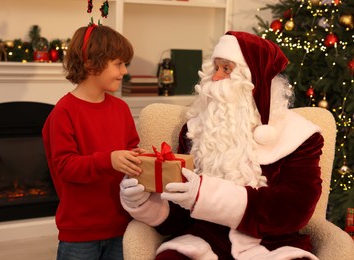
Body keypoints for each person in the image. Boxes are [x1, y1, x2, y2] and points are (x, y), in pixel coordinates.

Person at [120, 31, 324, 259]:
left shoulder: (300, 135)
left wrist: (205, 195)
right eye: (215, 68)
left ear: (254, 79)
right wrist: (146, 201)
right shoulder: (194, 129)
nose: (215, 78)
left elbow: (295, 208)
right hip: (205, 241)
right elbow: (178, 215)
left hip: (273, 246)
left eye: (226, 69)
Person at [42, 23, 144, 260]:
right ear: (90, 64)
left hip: (121, 224)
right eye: (118, 64)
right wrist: (108, 160)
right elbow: (65, 167)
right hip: (79, 231)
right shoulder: (63, 112)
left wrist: (138, 159)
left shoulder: (121, 109)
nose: (124, 71)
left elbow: (131, 150)